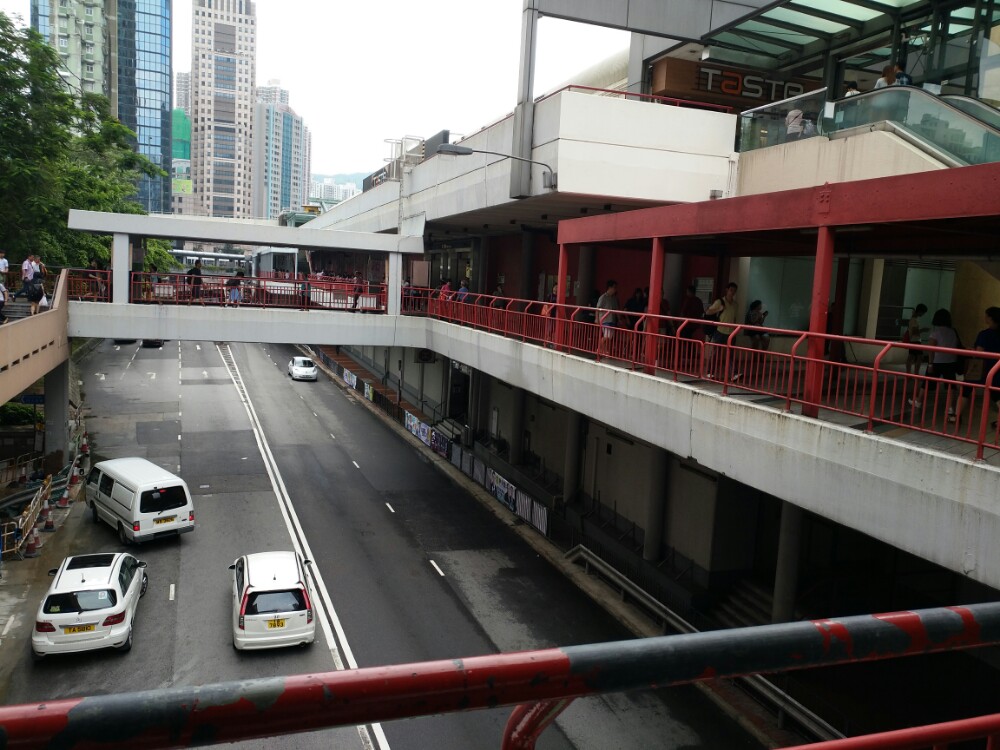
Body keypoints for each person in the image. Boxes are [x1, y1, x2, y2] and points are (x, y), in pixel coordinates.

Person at [953, 307, 1000, 427]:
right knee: (997, 396)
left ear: (990, 318)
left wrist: (971, 351)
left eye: (986, 316)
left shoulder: (984, 335)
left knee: (965, 391)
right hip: (997, 370)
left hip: (981, 369)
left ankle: (956, 416)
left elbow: (979, 352)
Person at [912, 309, 960, 420]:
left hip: (937, 362)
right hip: (951, 361)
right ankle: (949, 408)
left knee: (927, 382)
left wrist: (930, 364)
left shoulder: (936, 332)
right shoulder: (953, 331)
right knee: (950, 386)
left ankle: (918, 401)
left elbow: (931, 350)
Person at [704, 282, 740, 380]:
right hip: (719, 331)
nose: (732, 292)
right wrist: (718, 309)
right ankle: (710, 372)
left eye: (734, 291)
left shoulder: (735, 305)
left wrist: (735, 329)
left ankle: (733, 374)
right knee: (716, 353)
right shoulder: (720, 302)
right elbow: (707, 311)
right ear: (727, 290)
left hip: (731, 332)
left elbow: (734, 318)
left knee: (731, 354)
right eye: (731, 290)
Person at [904, 304, 929, 383]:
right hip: (915, 340)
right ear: (920, 311)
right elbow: (915, 331)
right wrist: (923, 330)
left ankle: (909, 374)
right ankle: (916, 374)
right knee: (919, 357)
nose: (923, 314)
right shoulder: (914, 320)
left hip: (913, 340)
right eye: (923, 312)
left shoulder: (913, 319)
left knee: (911, 357)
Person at [595, 279, 619, 360]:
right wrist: (597, 319)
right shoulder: (603, 297)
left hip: (612, 319)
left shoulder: (614, 298)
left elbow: (616, 310)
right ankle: (601, 349)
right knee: (607, 336)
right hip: (605, 320)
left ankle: (603, 350)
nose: (615, 289)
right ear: (610, 287)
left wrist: (619, 318)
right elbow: (598, 308)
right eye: (614, 287)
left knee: (609, 337)